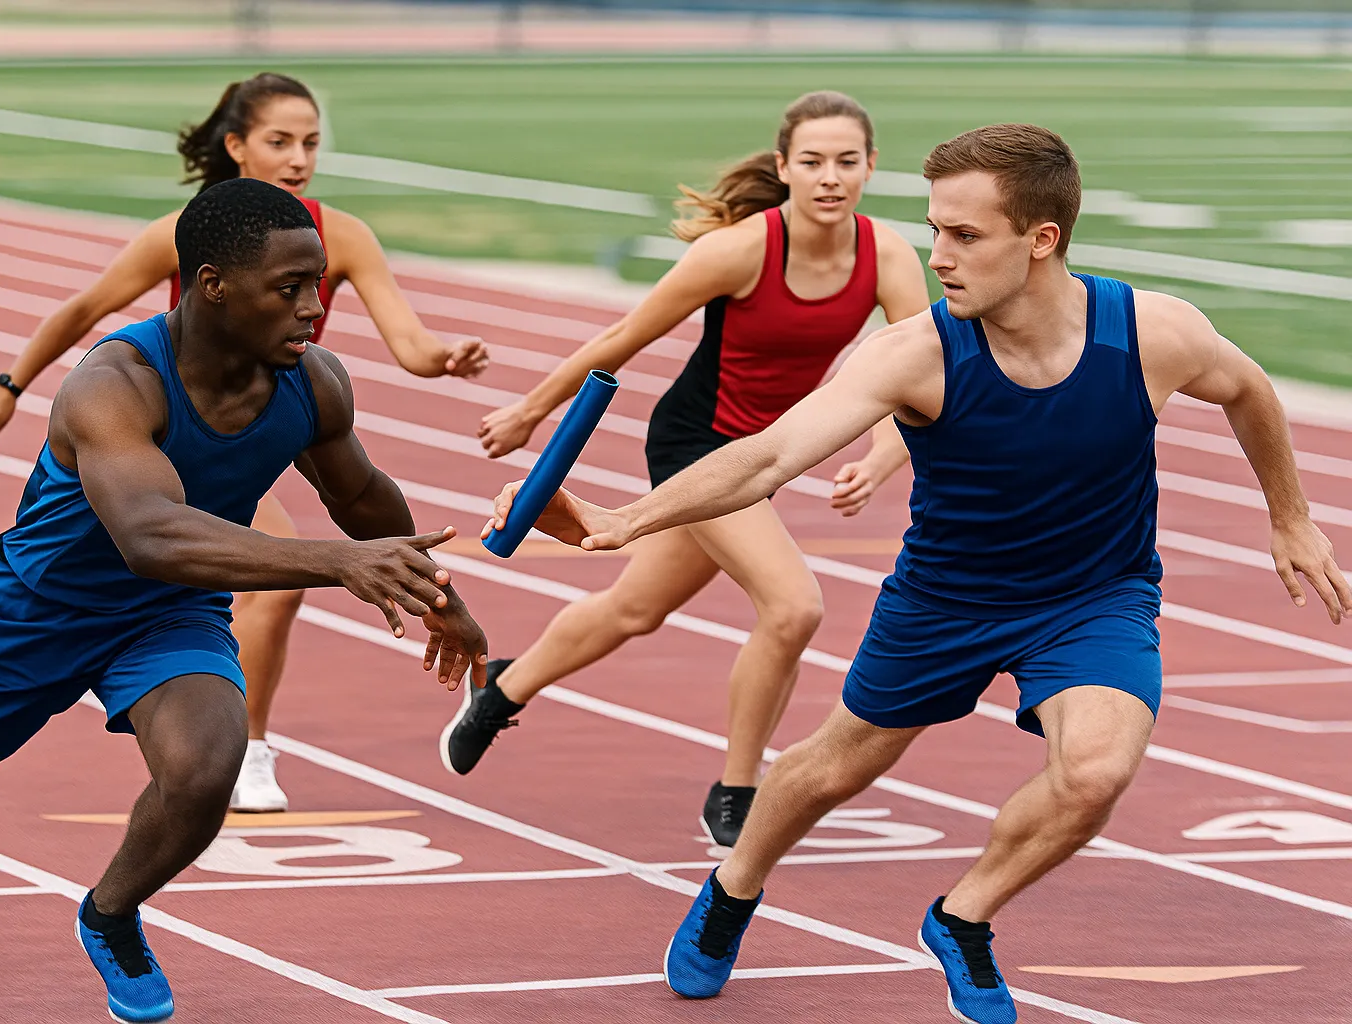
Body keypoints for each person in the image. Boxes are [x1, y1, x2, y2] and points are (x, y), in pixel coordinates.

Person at [485, 124, 1349, 1023]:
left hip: (1094, 598)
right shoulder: (916, 354)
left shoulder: (1150, 332)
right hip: (945, 603)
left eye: (965, 237)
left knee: (1095, 773)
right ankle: (733, 888)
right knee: (827, 771)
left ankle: (962, 916)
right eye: (934, 229)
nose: (937, 257)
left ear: (1041, 239)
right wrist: (625, 520)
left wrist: (1290, 515)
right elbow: (768, 456)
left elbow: (1249, 388)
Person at [0, 178, 488, 1023]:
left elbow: (362, 500)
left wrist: (437, 595)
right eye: (291, 288)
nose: (314, 309)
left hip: (168, 612)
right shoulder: (116, 383)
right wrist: (337, 564)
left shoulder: (313, 383)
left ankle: (112, 913)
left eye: (318, 285)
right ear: (213, 284)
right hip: (37, 609)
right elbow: (153, 535)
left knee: (208, 768)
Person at [0, 72, 489, 813]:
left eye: (310, 141)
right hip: (167, 438)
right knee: (237, 583)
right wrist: (8, 386)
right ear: (237, 146)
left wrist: (444, 358)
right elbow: (86, 307)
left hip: (264, 431)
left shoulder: (342, 236)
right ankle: (236, 743)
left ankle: (243, 746)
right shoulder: (180, 235)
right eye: (280, 141)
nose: (299, 157)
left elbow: (409, 342)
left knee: (276, 584)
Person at [441, 90, 929, 848]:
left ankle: (501, 689)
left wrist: (883, 455)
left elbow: (925, 370)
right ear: (784, 167)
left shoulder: (887, 256)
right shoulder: (739, 252)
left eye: (845, 162)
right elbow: (623, 336)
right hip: (696, 446)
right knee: (793, 606)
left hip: (764, 456)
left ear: (871, 166)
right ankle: (736, 792)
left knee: (636, 608)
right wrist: (530, 411)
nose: (829, 177)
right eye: (812, 162)